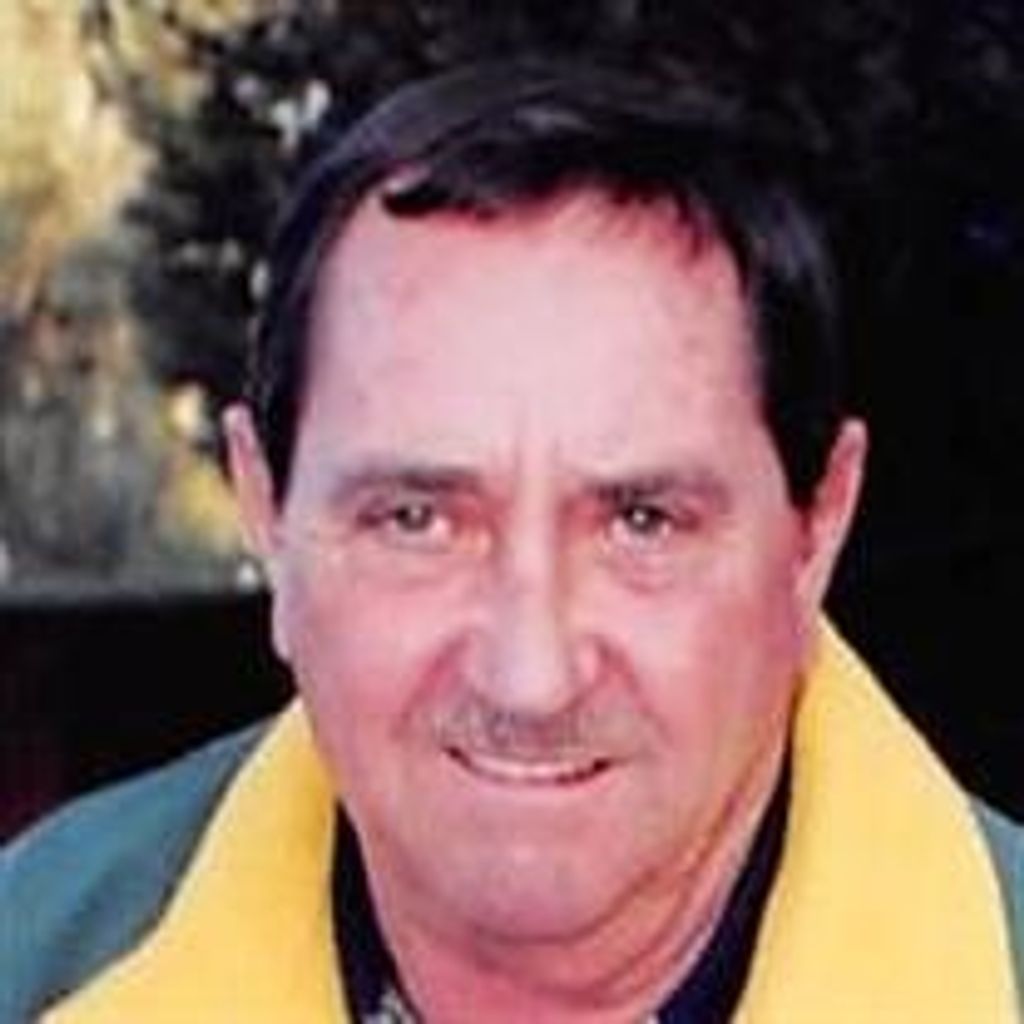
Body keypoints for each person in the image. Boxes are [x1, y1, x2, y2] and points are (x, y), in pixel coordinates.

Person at [2, 58, 1021, 1023]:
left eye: (641, 521)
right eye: (416, 519)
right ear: (268, 513)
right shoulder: (36, 957)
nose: (529, 679)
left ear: (816, 532)